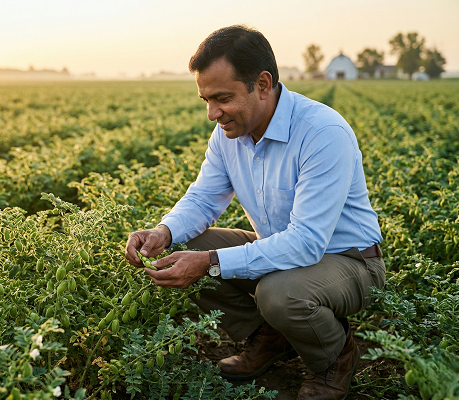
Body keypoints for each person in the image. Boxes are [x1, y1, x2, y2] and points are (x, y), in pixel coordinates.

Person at [125, 25, 384, 400]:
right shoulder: (228, 135)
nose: (213, 113)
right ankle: (270, 337)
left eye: (222, 98)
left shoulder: (321, 132)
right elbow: (203, 199)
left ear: (263, 84)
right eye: (206, 100)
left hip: (349, 261)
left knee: (278, 294)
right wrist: (163, 232)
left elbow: (308, 243)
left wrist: (209, 261)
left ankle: (334, 357)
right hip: (282, 249)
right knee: (183, 244)